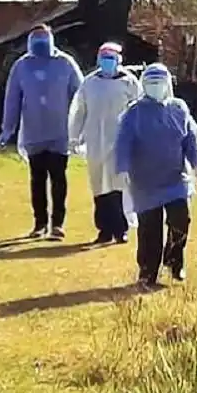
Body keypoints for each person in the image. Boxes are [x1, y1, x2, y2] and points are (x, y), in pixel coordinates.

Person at [114, 63, 197, 288]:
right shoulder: (134, 113)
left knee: (181, 220)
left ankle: (174, 261)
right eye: (151, 83)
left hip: (175, 178)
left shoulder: (178, 109)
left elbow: (191, 138)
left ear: (168, 85)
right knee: (149, 229)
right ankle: (147, 272)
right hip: (145, 182)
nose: (156, 87)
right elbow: (123, 142)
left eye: (160, 83)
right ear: (144, 85)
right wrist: (123, 168)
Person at [0, 24, 84, 241]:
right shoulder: (22, 66)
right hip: (33, 132)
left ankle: (57, 224)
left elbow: (81, 95)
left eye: (44, 39)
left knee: (58, 178)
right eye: (36, 40)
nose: (40, 44)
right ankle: (40, 224)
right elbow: (12, 99)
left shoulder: (65, 63)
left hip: (60, 132)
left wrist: (81, 126)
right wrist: (8, 129)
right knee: (37, 179)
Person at [68, 42, 141, 245]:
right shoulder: (90, 82)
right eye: (104, 57)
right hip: (95, 142)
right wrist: (74, 136)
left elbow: (139, 111)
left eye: (112, 57)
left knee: (118, 185)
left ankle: (120, 228)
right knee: (99, 186)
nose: (107, 61)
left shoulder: (129, 82)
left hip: (121, 141)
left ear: (119, 59)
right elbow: (79, 110)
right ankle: (104, 229)